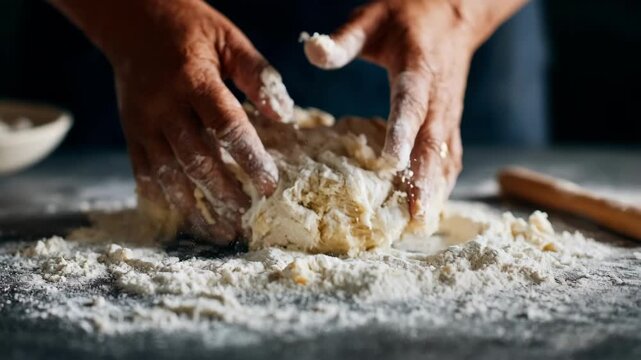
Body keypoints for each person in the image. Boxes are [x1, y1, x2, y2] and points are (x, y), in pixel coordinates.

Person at [51, 0, 527, 244]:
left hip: (442, 28)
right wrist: (135, 18)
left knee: (417, 150)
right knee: (178, 157)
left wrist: (457, 12)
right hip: (148, 37)